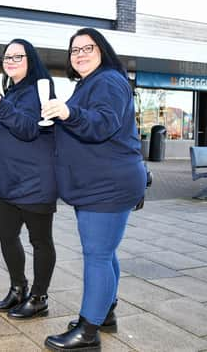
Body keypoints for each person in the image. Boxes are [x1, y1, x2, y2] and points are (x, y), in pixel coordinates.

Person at [41, 28, 147, 351]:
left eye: (88, 47)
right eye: (74, 50)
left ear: (102, 50)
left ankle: (88, 332)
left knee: (97, 255)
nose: (80, 54)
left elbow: (102, 122)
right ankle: (106, 313)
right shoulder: (90, 83)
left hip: (107, 185)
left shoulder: (109, 81)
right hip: (98, 183)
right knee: (106, 252)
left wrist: (68, 111)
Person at [0, 39, 57, 318]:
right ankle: (18, 288)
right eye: (7, 57)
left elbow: (28, 129)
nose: (10, 61)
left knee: (40, 241)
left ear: (30, 59)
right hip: (9, 182)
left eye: (17, 56)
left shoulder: (40, 90)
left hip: (35, 181)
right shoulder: (11, 92)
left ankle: (39, 298)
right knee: (6, 234)